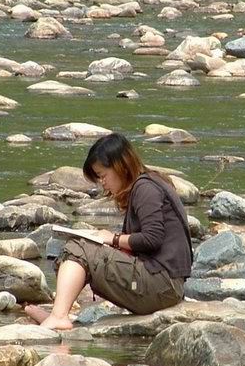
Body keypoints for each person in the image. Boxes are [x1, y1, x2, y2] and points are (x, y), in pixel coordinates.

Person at [25, 133, 193, 330]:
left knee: (78, 248)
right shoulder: (151, 182)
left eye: (103, 176)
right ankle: (58, 312)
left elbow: (152, 238)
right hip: (163, 287)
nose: (102, 183)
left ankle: (59, 316)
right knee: (83, 249)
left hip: (161, 287)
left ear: (121, 166)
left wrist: (113, 238)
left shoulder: (145, 188)